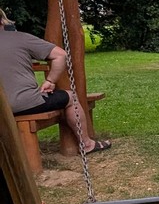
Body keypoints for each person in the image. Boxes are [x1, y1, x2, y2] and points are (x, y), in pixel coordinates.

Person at [0, 22, 109, 154]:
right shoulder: (20, 38)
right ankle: (87, 144)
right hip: (25, 103)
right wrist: (50, 81)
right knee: (71, 97)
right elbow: (60, 55)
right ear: (2, 22)